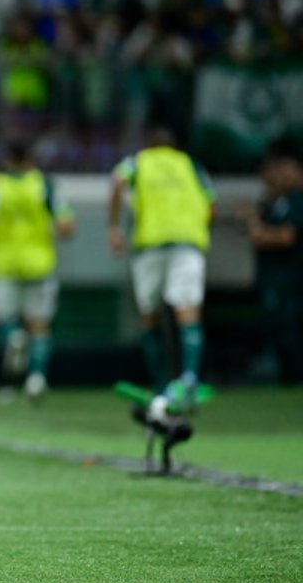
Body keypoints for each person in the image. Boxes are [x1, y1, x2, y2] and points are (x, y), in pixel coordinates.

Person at [107, 125, 214, 406]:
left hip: (150, 244)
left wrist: (114, 227)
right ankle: (189, 378)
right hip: (187, 243)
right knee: (187, 311)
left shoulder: (138, 162)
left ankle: (161, 382)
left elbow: (117, 182)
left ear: (148, 144)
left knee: (150, 315)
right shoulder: (191, 165)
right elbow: (210, 205)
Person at [0, 140, 74, 401]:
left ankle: (15, 339)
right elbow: (66, 224)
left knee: (5, 319)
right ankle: (36, 378)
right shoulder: (44, 185)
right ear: (31, 158)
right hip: (39, 262)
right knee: (40, 323)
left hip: (5, 261)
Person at [239, 138, 303, 385]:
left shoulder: (298, 201)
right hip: (277, 281)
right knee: (281, 333)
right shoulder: (275, 203)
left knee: (291, 335)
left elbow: (284, 237)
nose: (271, 176)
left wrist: (254, 222)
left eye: (277, 169)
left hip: (292, 282)